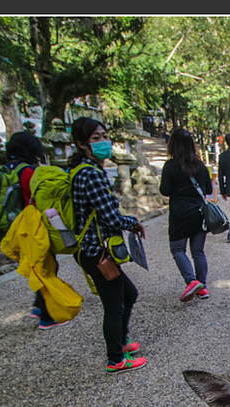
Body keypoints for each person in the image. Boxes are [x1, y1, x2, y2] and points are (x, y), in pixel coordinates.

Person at [69, 117, 147, 373]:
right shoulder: (91, 174)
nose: (104, 142)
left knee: (129, 294)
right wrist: (132, 221)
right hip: (97, 252)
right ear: (82, 144)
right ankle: (115, 359)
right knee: (114, 305)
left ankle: (121, 342)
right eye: (96, 138)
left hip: (94, 249)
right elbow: (110, 216)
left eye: (104, 136)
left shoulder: (83, 170)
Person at [3, 131, 66, 329]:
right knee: (46, 267)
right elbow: (41, 199)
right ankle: (48, 315)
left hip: (14, 227)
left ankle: (38, 306)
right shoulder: (28, 172)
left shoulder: (4, 170)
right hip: (32, 227)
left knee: (37, 265)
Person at [159, 127, 214, 303]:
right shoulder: (200, 166)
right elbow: (208, 190)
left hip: (180, 213)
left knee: (177, 249)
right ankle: (202, 286)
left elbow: (165, 191)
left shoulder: (170, 166)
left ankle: (191, 281)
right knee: (198, 251)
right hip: (199, 213)